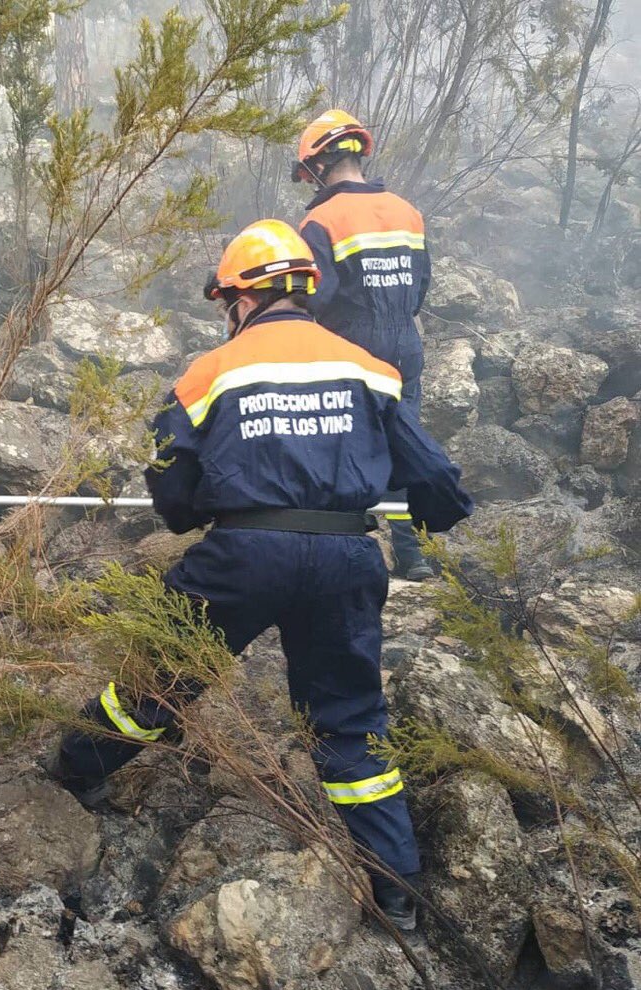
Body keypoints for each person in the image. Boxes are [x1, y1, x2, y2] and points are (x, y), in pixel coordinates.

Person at [48, 220, 473, 928]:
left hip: (242, 558)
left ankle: (77, 768)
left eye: (225, 305)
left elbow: (172, 486)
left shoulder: (207, 375)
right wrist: (430, 513)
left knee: (160, 679)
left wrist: (200, 512)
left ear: (240, 299)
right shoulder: (370, 369)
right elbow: (433, 477)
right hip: (346, 556)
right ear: (305, 290)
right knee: (351, 721)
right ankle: (397, 889)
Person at [293, 109, 434, 581]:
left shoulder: (321, 220)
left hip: (351, 347)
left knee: (339, 447)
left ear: (320, 162)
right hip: (405, 345)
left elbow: (315, 296)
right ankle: (414, 558)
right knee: (403, 445)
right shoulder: (407, 211)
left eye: (309, 171)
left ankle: (344, 550)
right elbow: (421, 286)